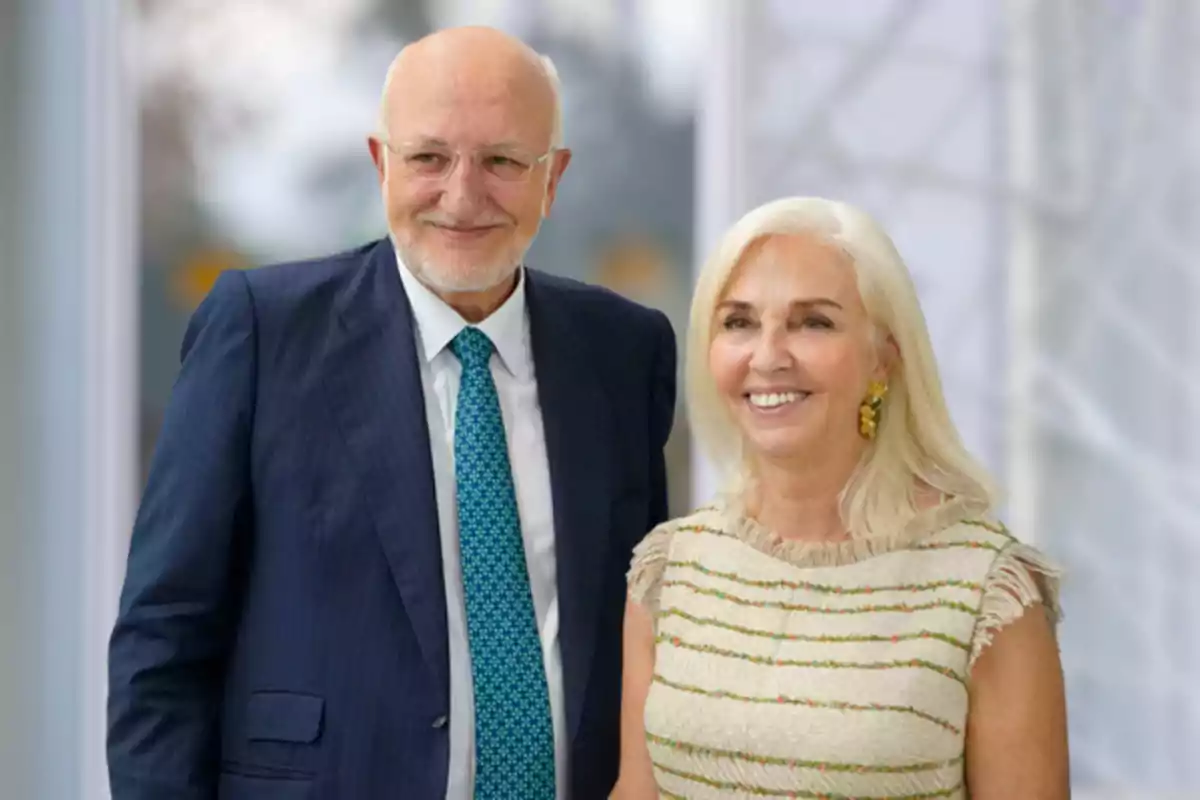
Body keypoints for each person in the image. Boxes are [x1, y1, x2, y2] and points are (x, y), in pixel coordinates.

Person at [107, 27, 676, 800]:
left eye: (503, 161)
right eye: (429, 157)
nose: (462, 194)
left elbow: (637, 632)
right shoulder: (261, 332)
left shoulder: (624, 353)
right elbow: (163, 641)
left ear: (554, 179)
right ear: (382, 164)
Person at [612, 197, 1069, 799]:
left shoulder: (986, 590)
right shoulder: (671, 569)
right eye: (739, 322)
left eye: (813, 322)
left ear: (884, 357)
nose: (768, 356)